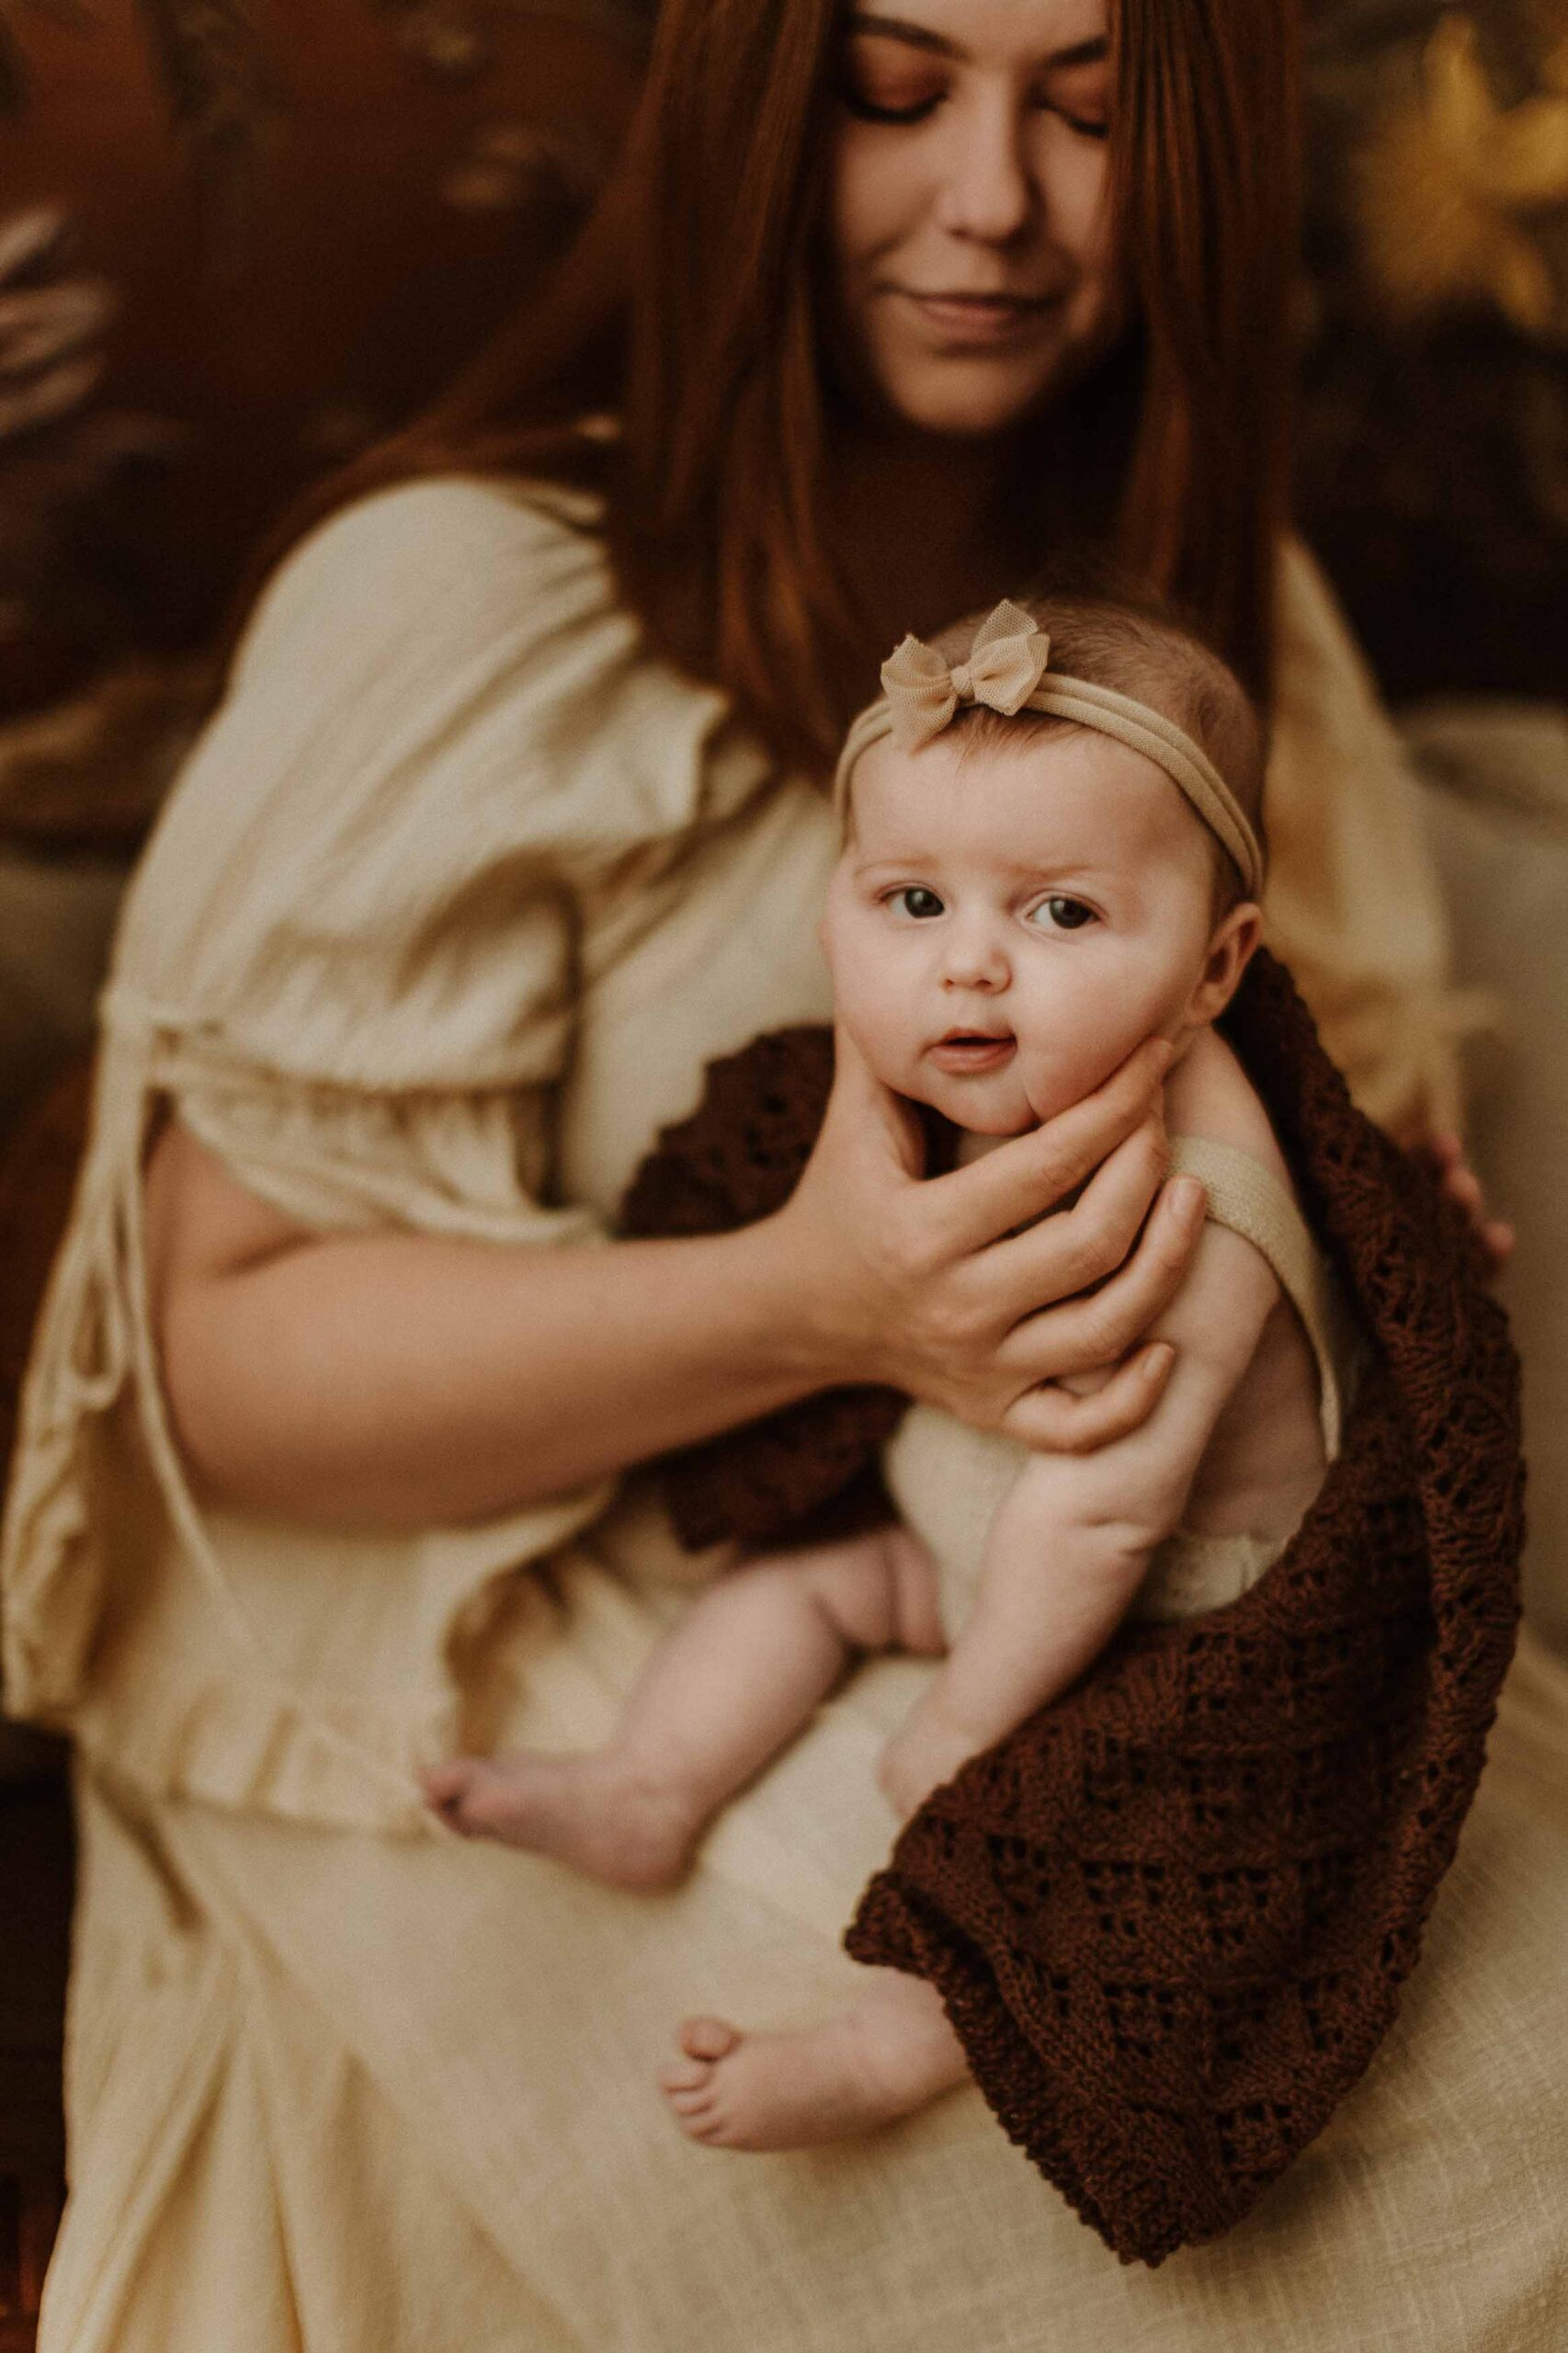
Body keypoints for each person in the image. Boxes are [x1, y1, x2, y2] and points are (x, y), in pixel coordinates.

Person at [2, 1, 1562, 2346]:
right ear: (750, 112)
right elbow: (204, 1370)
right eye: (896, 85)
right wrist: (829, 1296)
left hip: (1147, 1619)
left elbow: (1285, 1102)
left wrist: (1373, 1230)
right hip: (523, 1609)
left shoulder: (1223, 622)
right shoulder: (469, 603)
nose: (996, 204)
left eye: (1091, 104)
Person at [424, 591, 1367, 2156]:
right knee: (799, 1582)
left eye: (1059, 915)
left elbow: (1105, 1516)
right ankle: (649, 1786)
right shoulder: (962, 1075)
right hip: (968, 1541)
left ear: (1215, 969)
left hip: (1170, 1618)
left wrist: (964, 1721)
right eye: (910, 902)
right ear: (831, 907)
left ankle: (893, 2048)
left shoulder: (1200, 1204)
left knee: (1064, 1837)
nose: (969, 974)